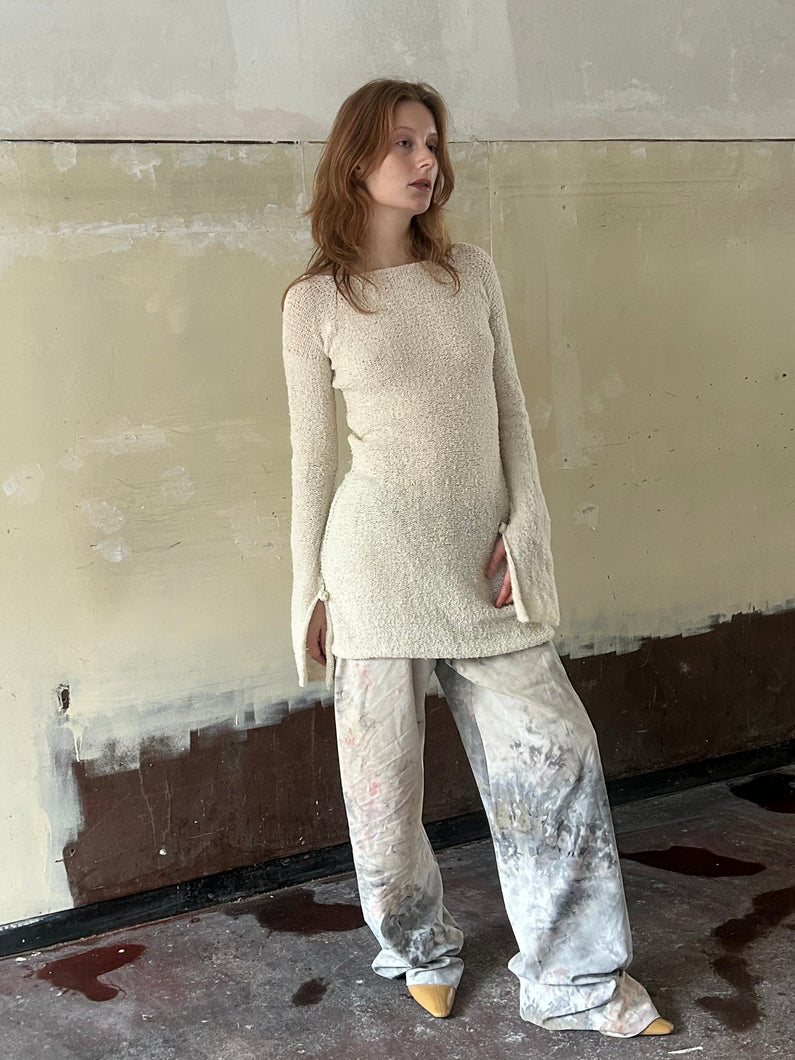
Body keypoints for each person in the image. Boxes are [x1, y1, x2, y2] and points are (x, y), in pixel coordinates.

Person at [281, 77, 673, 1038]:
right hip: (371, 565)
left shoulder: (471, 274)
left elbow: (511, 419)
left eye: (432, 143)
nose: (426, 161)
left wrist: (525, 533)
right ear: (354, 160)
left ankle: (575, 983)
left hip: (480, 563)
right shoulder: (314, 302)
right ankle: (419, 947)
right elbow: (311, 464)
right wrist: (308, 592)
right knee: (382, 794)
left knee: (556, 757)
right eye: (403, 144)